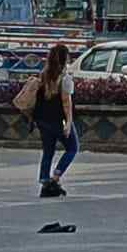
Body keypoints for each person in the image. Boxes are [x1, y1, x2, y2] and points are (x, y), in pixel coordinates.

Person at [32, 44, 79, 196]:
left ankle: (45, 181)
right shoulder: (65, 79)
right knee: (72, 147)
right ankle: (55, 177)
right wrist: (69, 123)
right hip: (57, 120)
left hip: (42, 120)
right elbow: (66, 104)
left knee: (48, 151)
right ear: (65, 59)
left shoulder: (43, 75)